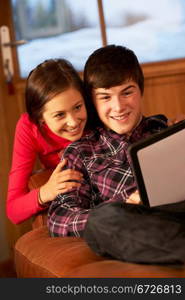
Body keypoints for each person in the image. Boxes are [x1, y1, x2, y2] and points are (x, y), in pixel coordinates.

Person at [47, 45, 170, 237]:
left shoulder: (165, 130)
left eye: (127, 92)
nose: (118, 107)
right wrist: (121, 211)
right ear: (92, 101)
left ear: (141, 90)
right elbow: (59, 218)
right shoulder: (82, 152)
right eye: (105, 97)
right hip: (136, 233)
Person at [7, 58, 90, 224]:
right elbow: (13, 210)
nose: (73, 122)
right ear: (40, 118)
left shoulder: (96, 112)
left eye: (77, 107)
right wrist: (46, 192)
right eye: (60, 115)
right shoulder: (29, 128)